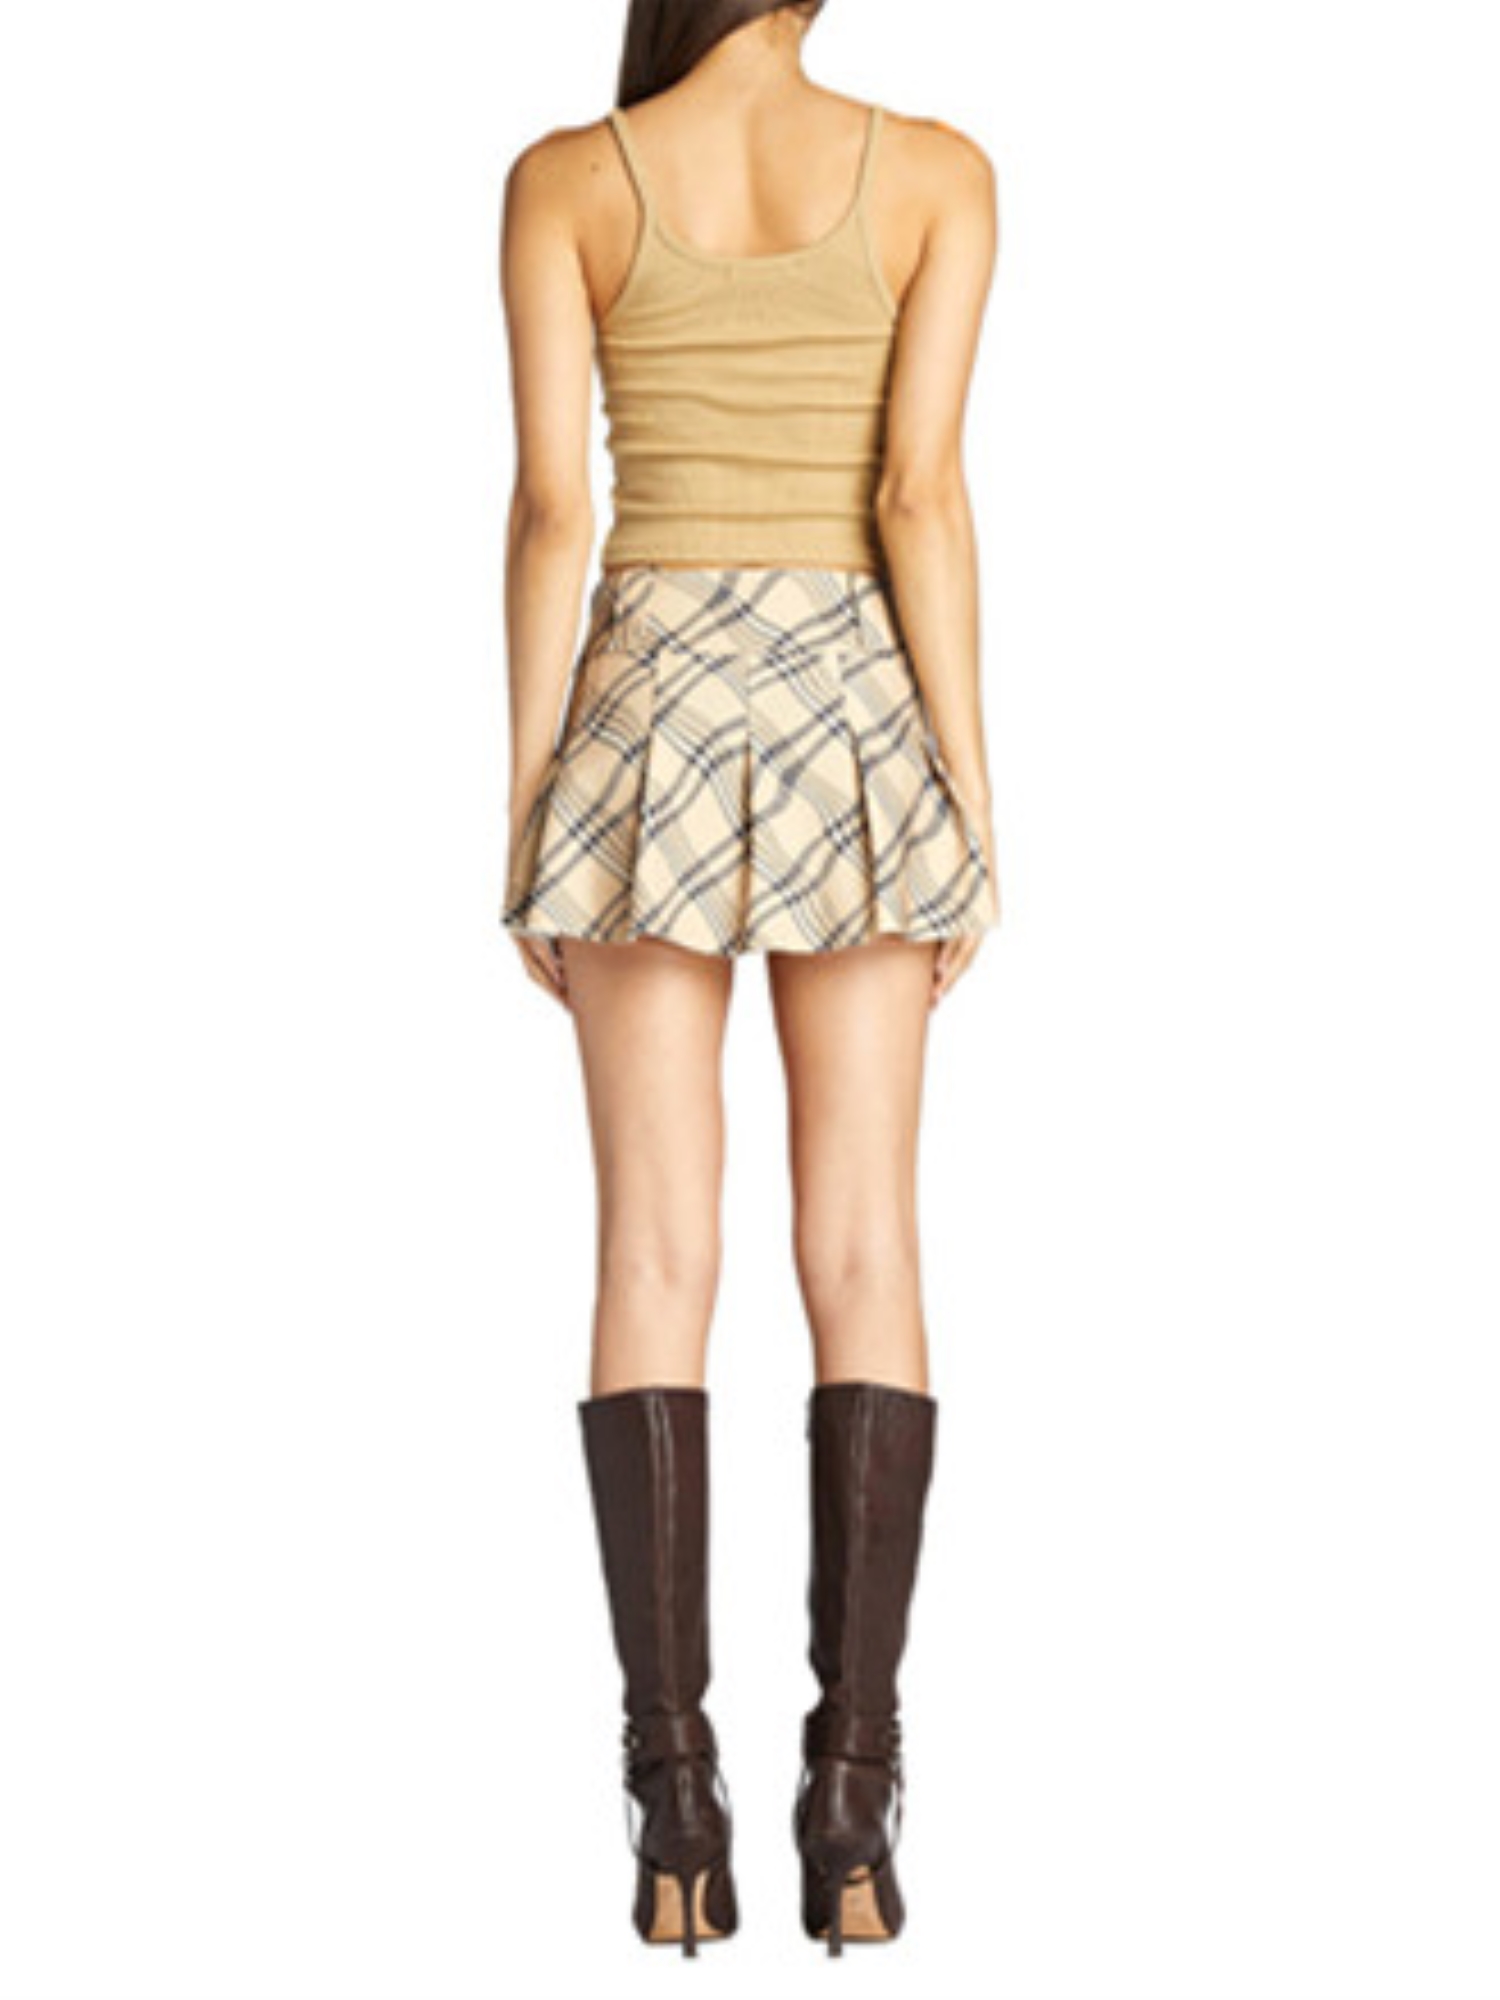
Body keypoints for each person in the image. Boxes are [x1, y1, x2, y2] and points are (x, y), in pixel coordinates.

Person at [496, 0, 1000, 1957]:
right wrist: (969, 795)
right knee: (865, 1243)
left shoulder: (568, 182)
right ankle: (853, 1801)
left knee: (651, 1252)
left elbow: (559, 508)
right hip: (852, 707)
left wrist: (531, 798)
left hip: (645, 702)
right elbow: (918, 498)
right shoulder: (936, 175)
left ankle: (673, 1809)